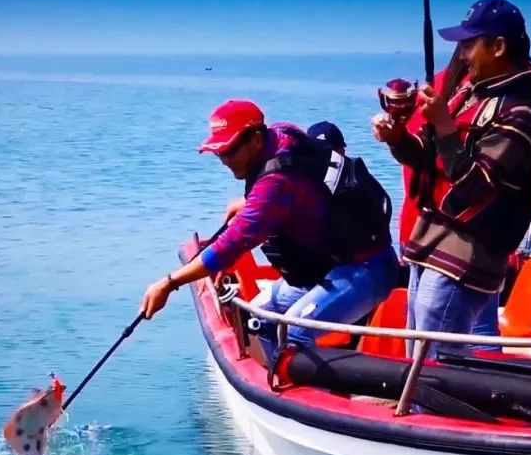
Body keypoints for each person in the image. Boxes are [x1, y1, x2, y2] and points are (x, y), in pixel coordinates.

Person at [140, 100, 399, 361]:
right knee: (256, 320)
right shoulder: (282, 133)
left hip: (365, 269)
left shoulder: (275, 185)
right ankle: (278, 379)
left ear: (255, 140)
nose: (224, 160)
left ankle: (309, 394)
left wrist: (169, 283)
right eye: (219, 153)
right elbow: (303, 181)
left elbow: (230, 245)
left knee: (293, 334)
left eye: (229, 151)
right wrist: (247, 204)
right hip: (327, 265)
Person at [372, 0, 531, 358]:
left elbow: (473, 188)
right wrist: (398, 138)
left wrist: (441, 122)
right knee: (417, 350)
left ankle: (429, 413)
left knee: (435, 360)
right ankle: (419, 409)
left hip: (466, 255)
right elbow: (426, 157)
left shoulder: (522, 115)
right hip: (431, 241)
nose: (462, 55)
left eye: (470, 44)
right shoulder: (469, 95)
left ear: (498, 46)